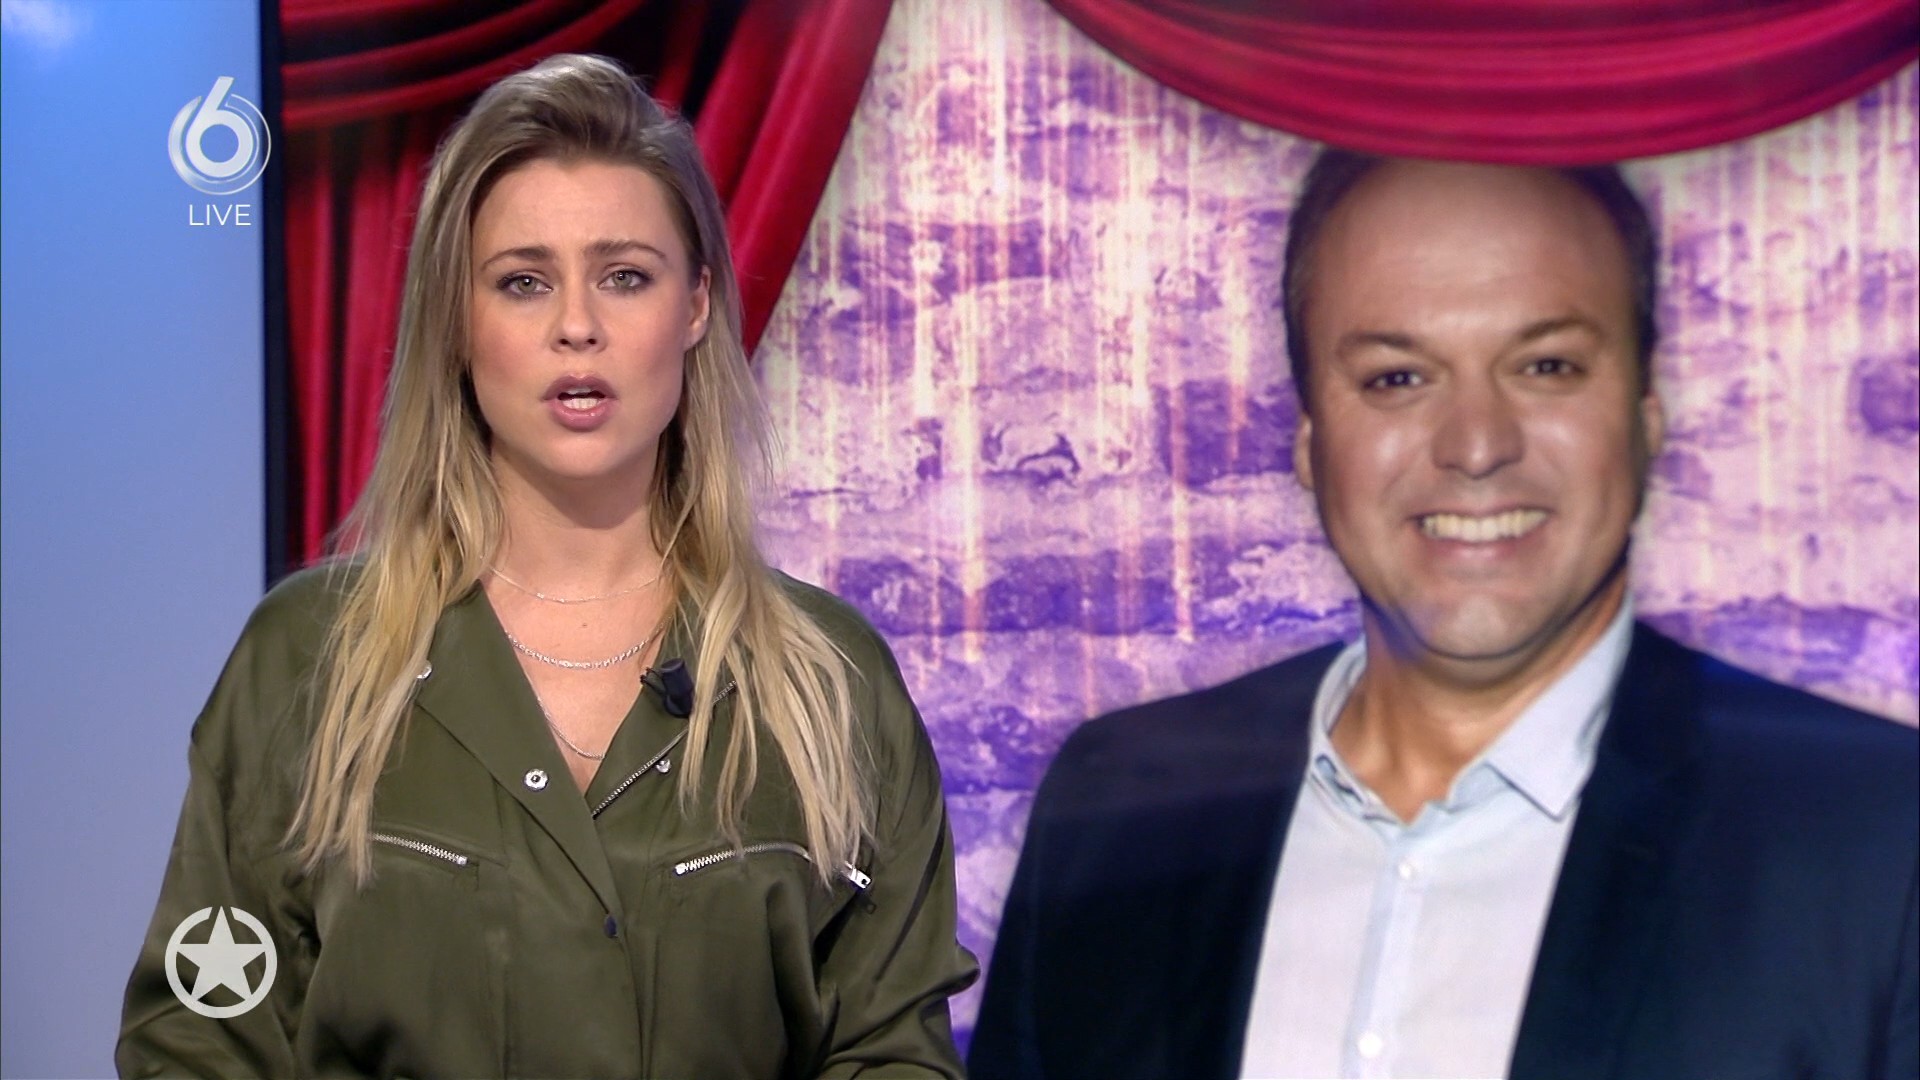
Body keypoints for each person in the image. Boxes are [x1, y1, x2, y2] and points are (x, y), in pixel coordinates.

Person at [968, 150, 1918, 1079]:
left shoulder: (1877, 841)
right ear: (1308, 441)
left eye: (1545, 366)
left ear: (1646, 415)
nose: (1476, 445)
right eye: (1397, 377)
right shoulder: (1117, 808)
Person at [119, 54, 976, 1078]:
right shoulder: (307, 658)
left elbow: (893, 1053)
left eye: (625, 277)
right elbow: (200, 1041)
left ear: (696, 304)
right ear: (457, 317)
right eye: (524, 282)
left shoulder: (829, 681)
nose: (578, 326)